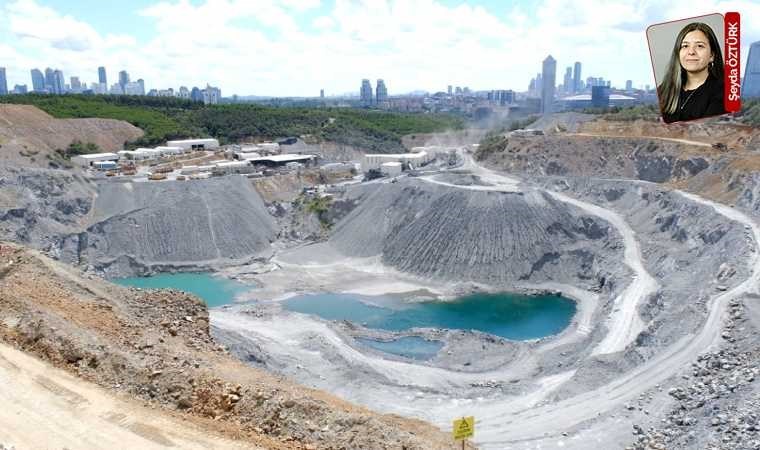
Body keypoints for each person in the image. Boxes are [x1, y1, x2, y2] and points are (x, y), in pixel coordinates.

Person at [657, 22, 725, 124]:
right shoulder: (663, 90)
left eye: (699, 46)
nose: (691, 52)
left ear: (712, 55)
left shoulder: (723, 92)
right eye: (685, 46)